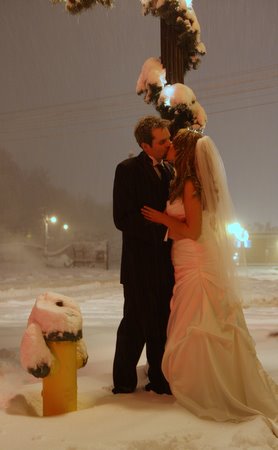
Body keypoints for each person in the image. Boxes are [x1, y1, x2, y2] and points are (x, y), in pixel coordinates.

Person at [141, 128, 278, 435]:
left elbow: (192, 230)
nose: (171, 148)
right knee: (193, 321)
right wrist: (169, 227)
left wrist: (162, 219)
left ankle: (206, 388)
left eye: (175, 145)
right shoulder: (183, 181)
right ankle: (200, 382)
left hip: (197, 264)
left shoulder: (191, 184)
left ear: (187, 151)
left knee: (200, 323)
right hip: (186, 260)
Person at [112, 115, 175, 395]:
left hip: (166, 266)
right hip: (138, 266)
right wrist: (162, 231)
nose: (168, 144)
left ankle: (160, 380)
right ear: (145, 145)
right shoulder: (126, 170)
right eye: (162, 141)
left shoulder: (171, 171)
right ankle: (124, 384)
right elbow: (123, 218)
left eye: (168, 138)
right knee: (134, 326)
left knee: (161, 325)